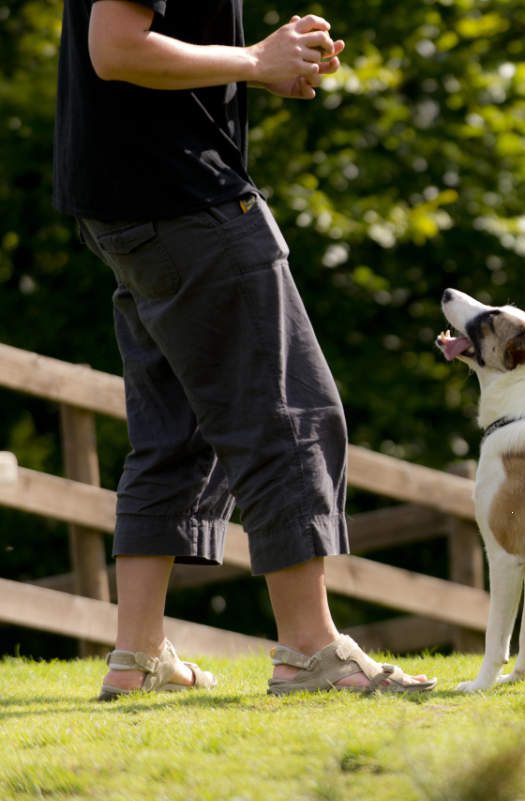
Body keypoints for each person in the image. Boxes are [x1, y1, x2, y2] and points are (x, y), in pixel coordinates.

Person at [53, 0, 435, 698]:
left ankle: (136, 657)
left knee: (177, 430)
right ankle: (310, 650)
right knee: (290, 415)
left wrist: (261, 69)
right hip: (186, 202)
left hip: (130, 211)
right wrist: (258, 60)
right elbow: (116, 49)